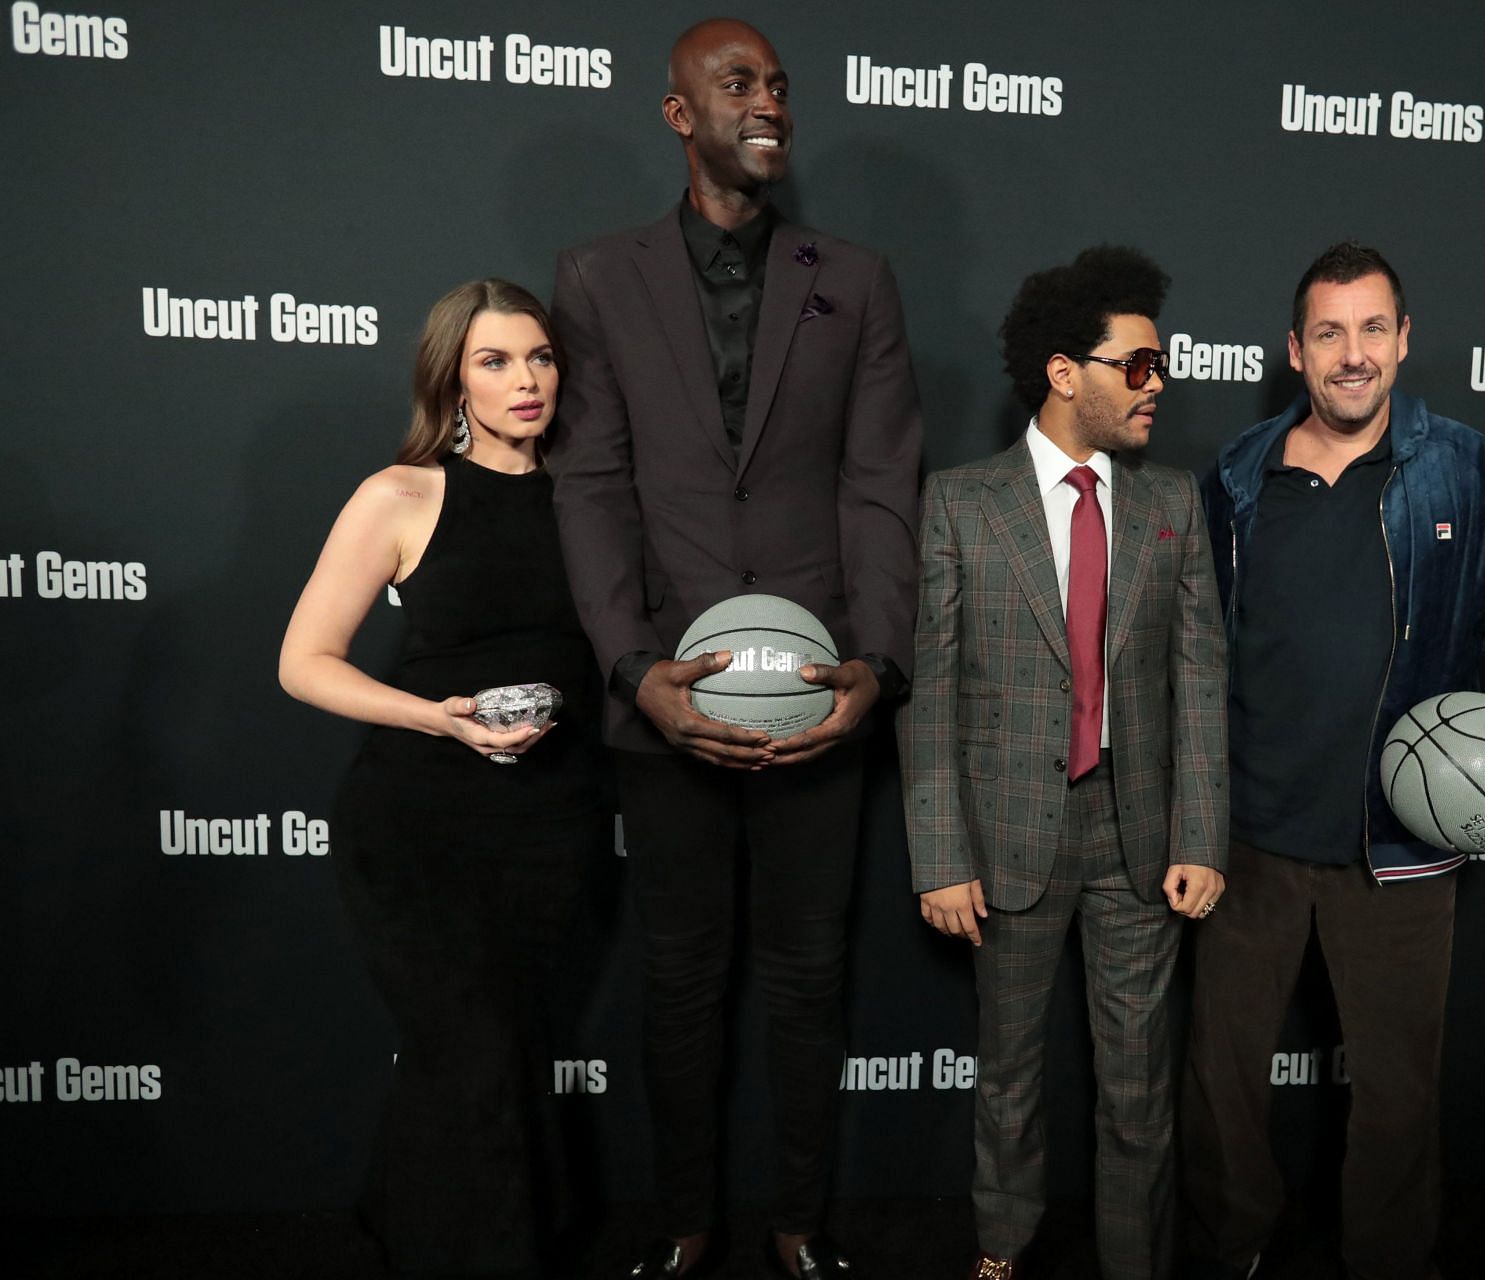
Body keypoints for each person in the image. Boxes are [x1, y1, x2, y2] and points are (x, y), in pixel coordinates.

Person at [543, 18, 922, 1280]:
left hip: (818, 695)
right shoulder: (598, 278)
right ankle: (683, 1220)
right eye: (740, 84)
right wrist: (632, 668)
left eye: (778, 87)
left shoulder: (854, 279)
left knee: (812, 978)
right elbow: (590, 485)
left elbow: (880, 484)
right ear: (678, 114)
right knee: (680, 981)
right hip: (668, 700)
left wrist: (876, 663)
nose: (770, 105)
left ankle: (802, 1221)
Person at [1181, 241, 1485, 1280]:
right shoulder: (1236, 477)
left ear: (1405, 340)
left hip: (1402, 842)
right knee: (1221, 1080)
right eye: (1329, 331)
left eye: (1374, 328)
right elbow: (1189, 653)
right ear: (1296, 349)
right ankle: (1232, 1242)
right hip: (1247, 837)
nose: (1353, 352)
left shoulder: (1467, 466)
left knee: (1399, 1093)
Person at [899, 245, 1229, 1280]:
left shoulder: (1172, 502)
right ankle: (1003, 1244)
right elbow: (933, 690)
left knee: (1139, 1082)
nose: (1157, 384)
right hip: (1007, 839)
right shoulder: (961, 501)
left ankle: (1138, 1260)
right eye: (1135, 365)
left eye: (1159, 364)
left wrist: (1201, 835)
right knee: (1009, 1072)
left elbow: (1202, 681)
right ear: (1063, 371)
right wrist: (940, 853)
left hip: (1138, 838)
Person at [279, 278, 607, 1278]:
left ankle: (402, 1217)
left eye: (541, 357)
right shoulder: (403, 492)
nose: (526, 380)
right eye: (495, 360)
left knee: (488, 1051)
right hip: (418, 823)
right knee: (469, 1048)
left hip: (552, 821)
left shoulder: (595, 502)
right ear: (452, 381)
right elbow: (304, 660)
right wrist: (436, 716)